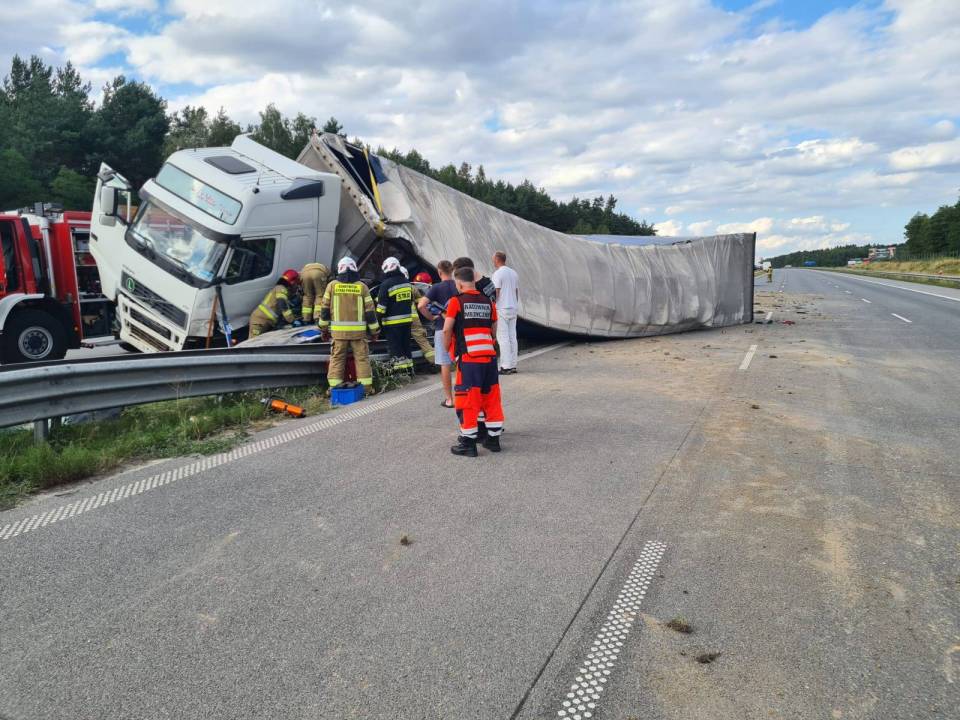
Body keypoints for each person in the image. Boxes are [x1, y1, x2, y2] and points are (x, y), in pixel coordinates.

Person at [443, 266, 504, 457]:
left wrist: (448, 350)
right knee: (491, 397)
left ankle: (468, 442)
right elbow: (494, 327)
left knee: (467, 399)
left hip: (469, 358)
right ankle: (493, 440)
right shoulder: (488, 301)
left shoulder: (456, 302)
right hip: (489, 357)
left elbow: (447, 329)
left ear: (459, 283)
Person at [318, 257, 379, 391]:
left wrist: (323, 330)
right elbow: (370, 313)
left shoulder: (332, 286)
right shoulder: (362, 287)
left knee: (337, 360)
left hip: (338, 334)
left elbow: (324, 311)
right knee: (362, 360)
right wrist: (375, 332)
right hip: (358, 334)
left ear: (339, 270)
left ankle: (334, 390)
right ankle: (367, 389)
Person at [419, 260, 457, 408]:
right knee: (461, 362)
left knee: (445, 364)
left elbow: (421, 305)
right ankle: (464, 396)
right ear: (452, 271)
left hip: (442, 329)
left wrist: (431, 317)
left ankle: (449, 399)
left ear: (439, 272)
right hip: (458, 329)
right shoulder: (458, 285)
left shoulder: (436, 288)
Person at [375, 257, 415, 373]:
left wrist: (376, 324)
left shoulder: (386, 284)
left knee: (396, 349)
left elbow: (381, 309)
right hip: (407, 321)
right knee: (406, 347)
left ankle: (401, 374)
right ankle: (409, 370)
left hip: (392, 324)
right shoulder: (407, 283)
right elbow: (411, 301)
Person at [248, 269, 302, 337]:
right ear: (292, 282)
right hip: (259, 321)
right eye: (296, 284)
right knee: (253, 344)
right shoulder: (281, 289)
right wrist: (292, 320)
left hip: (265, 321)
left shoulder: (282, 290)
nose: (297, 286)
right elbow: (282, 305)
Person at [491, 251, 520, 373]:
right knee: (512, 336)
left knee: (503, 338)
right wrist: (515, 304)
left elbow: (496, 291)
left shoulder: (498, 274)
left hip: (502, 308)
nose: (493, 261)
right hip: (513, 307)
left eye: (493, 259)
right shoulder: (514, 273)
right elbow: (516, 292)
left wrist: (492, 305)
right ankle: (513, 365)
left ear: (497, 259)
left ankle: (505, 366)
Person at [402, 266, 435, 364]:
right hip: (415, 321)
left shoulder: (389, 287)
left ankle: (406, 368)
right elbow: (421, 305)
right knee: (424, 343)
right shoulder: (414, 288)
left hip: (397, 322)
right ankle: (436, 363)